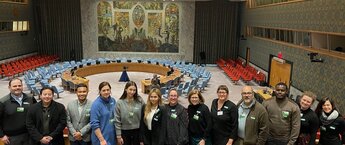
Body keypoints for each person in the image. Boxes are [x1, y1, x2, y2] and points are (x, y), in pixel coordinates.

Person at [0, 78, 37, 145]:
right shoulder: (3, 102)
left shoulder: (30, 98)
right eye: (14, 86)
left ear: (22, 86)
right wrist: (1, 135)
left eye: (19, 85)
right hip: (12, 138)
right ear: (9, 87)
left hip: (30, 135)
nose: (17, 88)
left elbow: (37, 114)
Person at [115, 81, 144, 145]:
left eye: (134, 90)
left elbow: (144, 114)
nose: (132, 92)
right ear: (126, 89)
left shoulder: (140, 100)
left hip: (137, 131)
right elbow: (117, 120)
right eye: (130, 89)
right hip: (124, 132)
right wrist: (118, 136)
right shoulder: (119, 103)